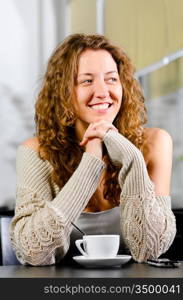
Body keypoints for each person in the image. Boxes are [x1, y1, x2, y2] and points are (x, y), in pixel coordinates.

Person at [10, 33, 176, 266]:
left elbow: (150, 249)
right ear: (64, 93)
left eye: (111, 79)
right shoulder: (36, 152)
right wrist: (91, 160)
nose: (102, 92)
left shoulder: (155, 143)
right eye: (86, 81)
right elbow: (33, 252)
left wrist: (132, 159)